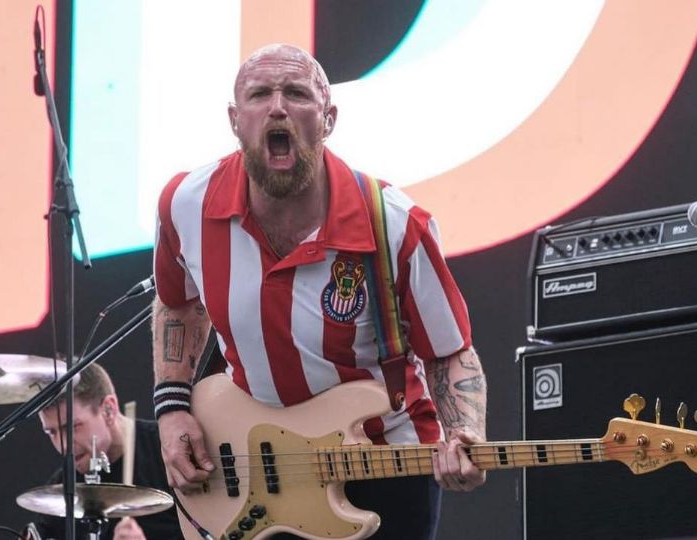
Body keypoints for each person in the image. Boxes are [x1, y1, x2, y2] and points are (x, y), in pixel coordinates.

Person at [151, 43, 487, 539]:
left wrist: (467, 434)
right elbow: (178, 301)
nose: (278, 106)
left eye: (297, 94)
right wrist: (172, 407)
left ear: (328, 118)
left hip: (385, 460)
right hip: (257, 468)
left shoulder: (393, 225)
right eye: (260, 94)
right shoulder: (186, 205)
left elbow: (450, 352)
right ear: (234, 120)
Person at [30, 363, 183, 540]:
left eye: (72, 427)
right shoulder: (62, 489)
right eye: (52, 432)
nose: (63, 446)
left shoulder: (169, 451)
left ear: (108, 409)